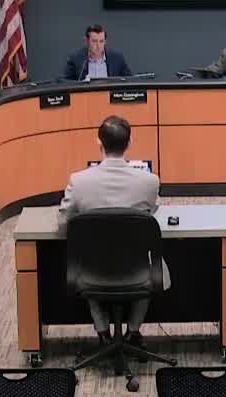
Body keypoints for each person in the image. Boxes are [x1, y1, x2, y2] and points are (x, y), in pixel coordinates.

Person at [58, 115, 169, 345]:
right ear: (129, 143)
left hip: (93, 269)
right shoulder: (150, 181)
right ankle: (133, 332)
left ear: (99, 142)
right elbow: (150, 214)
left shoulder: (78, 182)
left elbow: (63, 225)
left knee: (92, 262)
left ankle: (103, 334)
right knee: (147, 267)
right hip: (138, 269)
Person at [62, 24, 133, 81]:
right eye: (94, 41)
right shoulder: (76, 59)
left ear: (105, 42)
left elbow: (130, 80)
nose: (98, 46)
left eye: (101, 41)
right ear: (86, 41)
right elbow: (64, 81)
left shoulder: (117, 58)